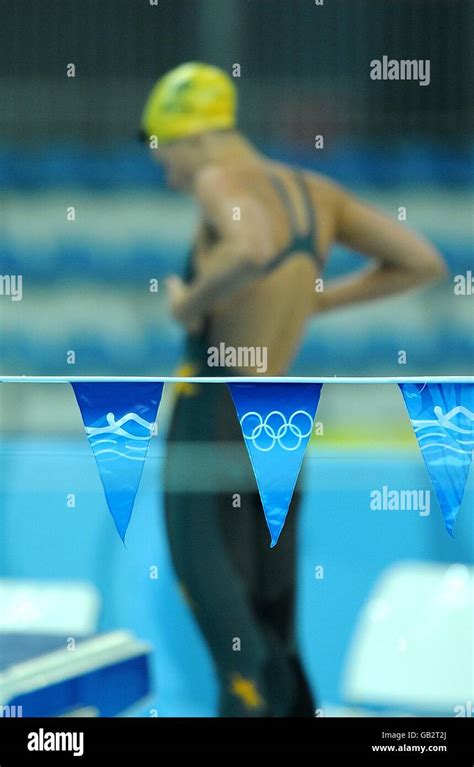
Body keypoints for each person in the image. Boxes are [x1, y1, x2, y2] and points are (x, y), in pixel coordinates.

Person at [140, 62, 446, 717]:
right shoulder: (317, 191)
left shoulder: (221, 178)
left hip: (212, 414)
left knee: (237, 652)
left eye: (166, 155)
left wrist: (188, 301)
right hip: (279, 420)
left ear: (192, 137)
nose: (169, 175)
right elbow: (423, 261)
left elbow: (249, 246)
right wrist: (319, 302)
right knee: (277, 639)